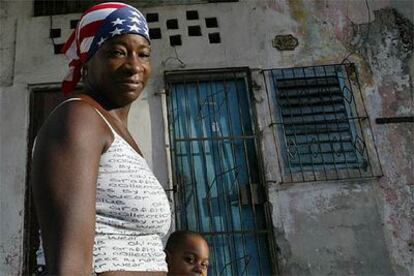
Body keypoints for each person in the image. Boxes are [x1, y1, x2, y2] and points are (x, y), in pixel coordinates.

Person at [31, 2, 171, 275]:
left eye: (143, 54)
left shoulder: (117, 131)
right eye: (118, 52)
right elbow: (69, 267)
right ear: (86, 65)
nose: (134, 66)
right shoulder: (80, 119)